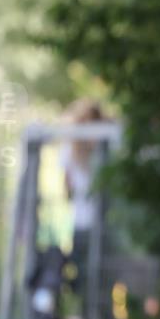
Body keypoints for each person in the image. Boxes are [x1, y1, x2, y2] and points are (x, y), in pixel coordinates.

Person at [58, 99, 105, 287]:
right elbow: (67, 188)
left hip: (100, 223)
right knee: (84, 275)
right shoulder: (71, 150)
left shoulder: (105, 149)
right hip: (83, 222)